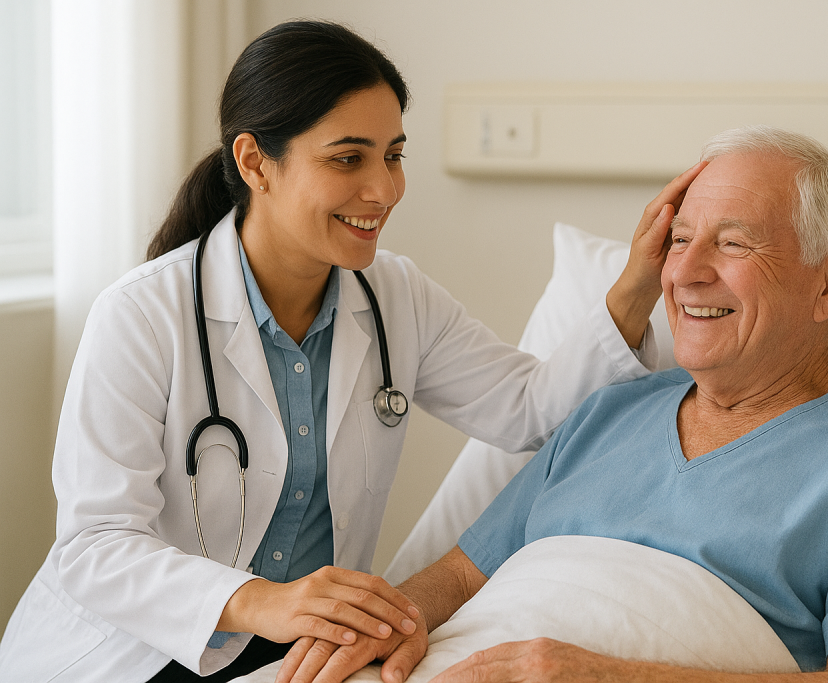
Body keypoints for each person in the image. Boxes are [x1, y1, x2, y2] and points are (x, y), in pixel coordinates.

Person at [0, 20, 703, 683]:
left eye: (393, 155)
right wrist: (258, 600)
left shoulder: (395, 297)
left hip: (292, 658)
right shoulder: (142, 314)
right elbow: (95, 546)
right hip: (126, 654)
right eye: (348, 159)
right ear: (255, 162)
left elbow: (528, 410)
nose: (385, 189)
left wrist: (636, 287)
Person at [277, 127, 828, 683]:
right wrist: (386, 620)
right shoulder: (608, 413)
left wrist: (608, 674)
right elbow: (465, 575)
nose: (683, 272)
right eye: (678, 240)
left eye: (733, 242)